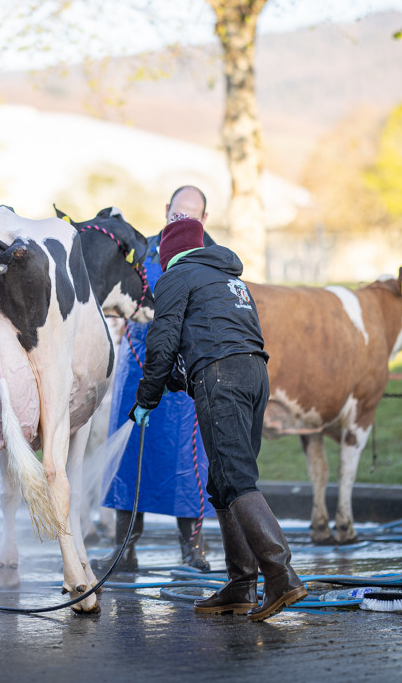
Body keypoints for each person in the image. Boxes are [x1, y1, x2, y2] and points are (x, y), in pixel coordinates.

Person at [131, 214, 306, 621]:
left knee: (235, 478)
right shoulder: (230, 280)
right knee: (224, 480)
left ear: (169, 253)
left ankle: (280, 575)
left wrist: (147, 398)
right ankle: (241, 584)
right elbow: (212, 336)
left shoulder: (176, 276)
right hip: (254, 374)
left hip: (221, 377)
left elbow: (163, 341)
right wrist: (175, 381)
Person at [93, 186, 217, 575]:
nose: (183, 220)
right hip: (137, 365)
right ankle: (123, 549)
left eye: (191, 215)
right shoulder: (139, 251)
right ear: (166, 210)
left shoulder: (212, 257)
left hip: (185, 374)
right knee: (130, 458)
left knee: (188, 460)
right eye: (177, 212)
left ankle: (192, 550)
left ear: (204, 219)